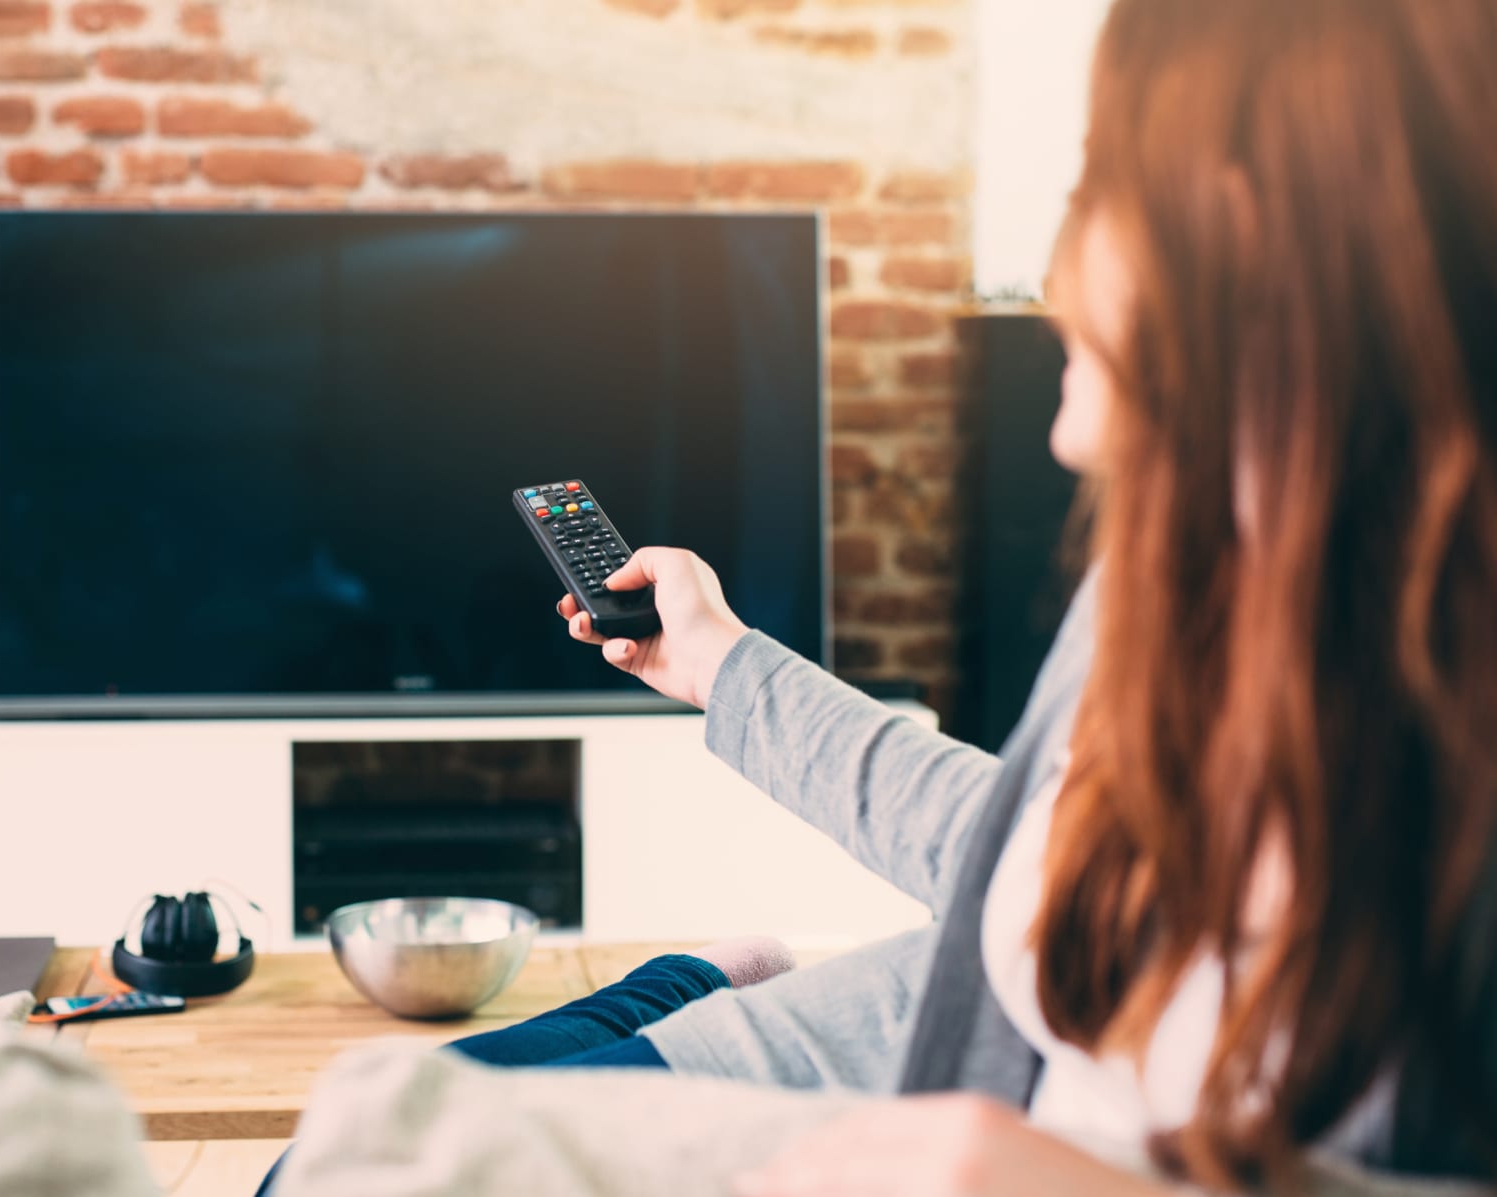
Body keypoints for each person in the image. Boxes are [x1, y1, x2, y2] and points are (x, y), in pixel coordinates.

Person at [439, 0, 1497, 1190]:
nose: (1052, 268)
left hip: (867, 1120)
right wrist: (720, 661)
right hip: (834, 1067)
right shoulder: (1174, 576)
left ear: (1243, 238)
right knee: (338, 1151)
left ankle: (680, 980)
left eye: (1096, 186)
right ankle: (685, 982)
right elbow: (1013, 854)